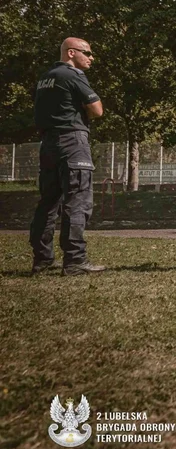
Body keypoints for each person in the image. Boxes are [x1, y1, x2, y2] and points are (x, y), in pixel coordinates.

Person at [29, 37, 105, 275]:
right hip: (73, 141)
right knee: (77, 201)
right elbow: (97, 110)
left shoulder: (45, 78)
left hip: (48, 144)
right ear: (71, 52)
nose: (92, 58)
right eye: (88, 52)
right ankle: (74, 260)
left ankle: (42, 259)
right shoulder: (73, 76)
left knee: (48, 203)